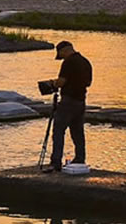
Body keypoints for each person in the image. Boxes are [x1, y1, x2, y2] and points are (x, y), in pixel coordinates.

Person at [46, 41, 92, 173]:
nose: (61, 57)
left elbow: (61, 82)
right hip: (80, 101)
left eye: (61, 54)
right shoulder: (85, 62)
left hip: (68, 101)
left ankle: (56, 162)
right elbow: (88, 83)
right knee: (78, 132)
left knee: (58, 131)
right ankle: (80, 159)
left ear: (65, 50)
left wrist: (52, 84)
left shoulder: (68, 62)